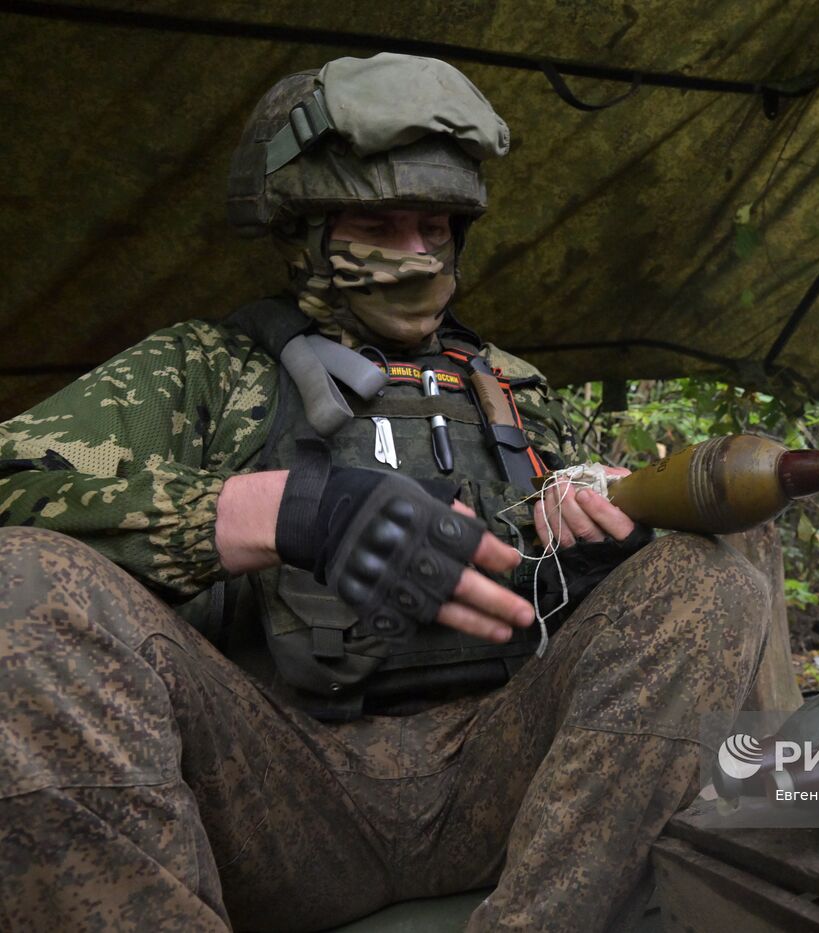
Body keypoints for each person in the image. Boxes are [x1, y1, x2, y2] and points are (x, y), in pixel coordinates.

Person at [0, 53, 771, 931]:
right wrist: (289, 512)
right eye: (379, 221)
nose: (415, 251)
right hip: (276, 790)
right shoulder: (204, 372)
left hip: (505, 776)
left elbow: (601, 592)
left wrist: (595, 541)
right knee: (16, 583)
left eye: (435, 223)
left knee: (705, 580)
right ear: (304, 231)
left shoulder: (508, 387)